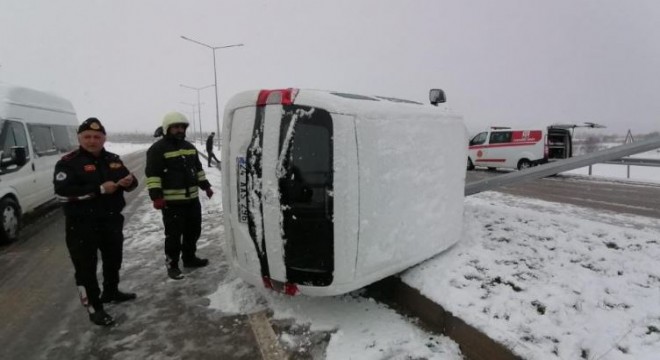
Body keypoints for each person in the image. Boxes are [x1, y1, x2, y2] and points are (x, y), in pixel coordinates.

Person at [53, 117, 138, 327]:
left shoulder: (113, 159)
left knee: (113, 258)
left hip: (110, 221)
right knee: (85, 269)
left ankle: (111, 291)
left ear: (104, 138)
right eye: (87, 137)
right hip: (81, 225)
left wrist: (130, 181)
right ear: (80, 138)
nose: (92, 141)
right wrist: (98, 190)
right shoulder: (68, 163)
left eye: (97, 137)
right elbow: (62, 194)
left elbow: (131, 182)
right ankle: (94, 308)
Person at [146, 111, 214, 280]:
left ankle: (189, 258)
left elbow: (197, 169)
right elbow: (153, 175)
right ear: (167, 128)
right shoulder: (157, 149)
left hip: (192, 200)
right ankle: (172, 265)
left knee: (193, 231)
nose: (179, 130)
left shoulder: (189, 148)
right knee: (174, 236)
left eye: (182, 127)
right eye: (175, 127)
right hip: (171, 203)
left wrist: (205, 186)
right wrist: (156, 197)